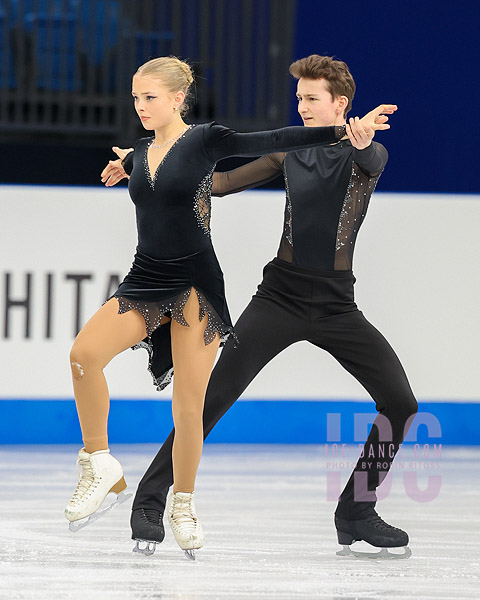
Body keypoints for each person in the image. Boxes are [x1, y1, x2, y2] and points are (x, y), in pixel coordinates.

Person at [68, 55, 391, 558]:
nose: (302, 106)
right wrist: (145, 162)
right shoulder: (287, 157)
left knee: (402, 402)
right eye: (299, 98)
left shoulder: (363, 152)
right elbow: (214, 181)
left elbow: (370, 161)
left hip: (336, 304)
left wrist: (361, 139)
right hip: (280, 296)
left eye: (312, 99)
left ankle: (357, 509)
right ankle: (152, 501)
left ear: (340, 104)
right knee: (207, 398)